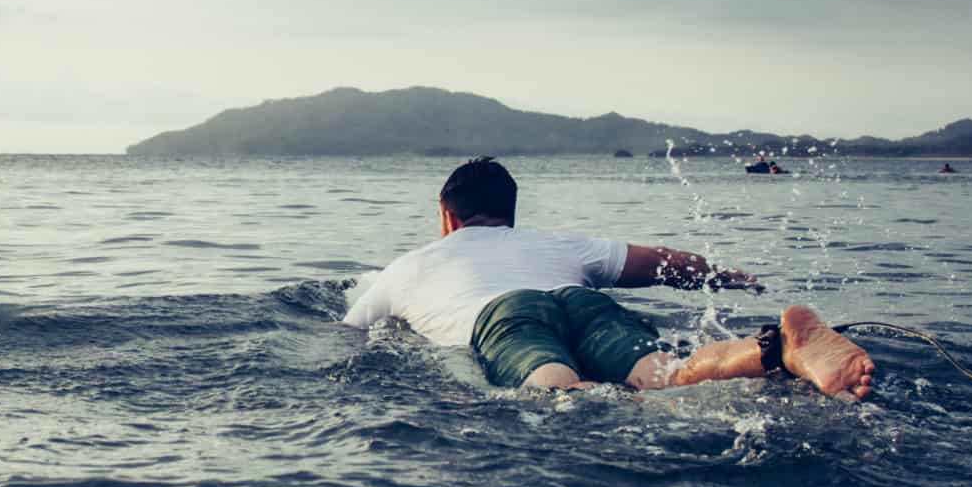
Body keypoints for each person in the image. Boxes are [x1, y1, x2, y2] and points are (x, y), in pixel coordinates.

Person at [342, 157, 874, 398]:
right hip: (580, 300)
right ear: (510, 212)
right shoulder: (557, 244)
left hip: (503, 316)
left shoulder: (411, 265)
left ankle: (574, 393)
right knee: (670, 374)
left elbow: (350, 332)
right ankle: (777, 350)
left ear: (446, 217)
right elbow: (666, 263)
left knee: (557, 391)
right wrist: (734, 278)